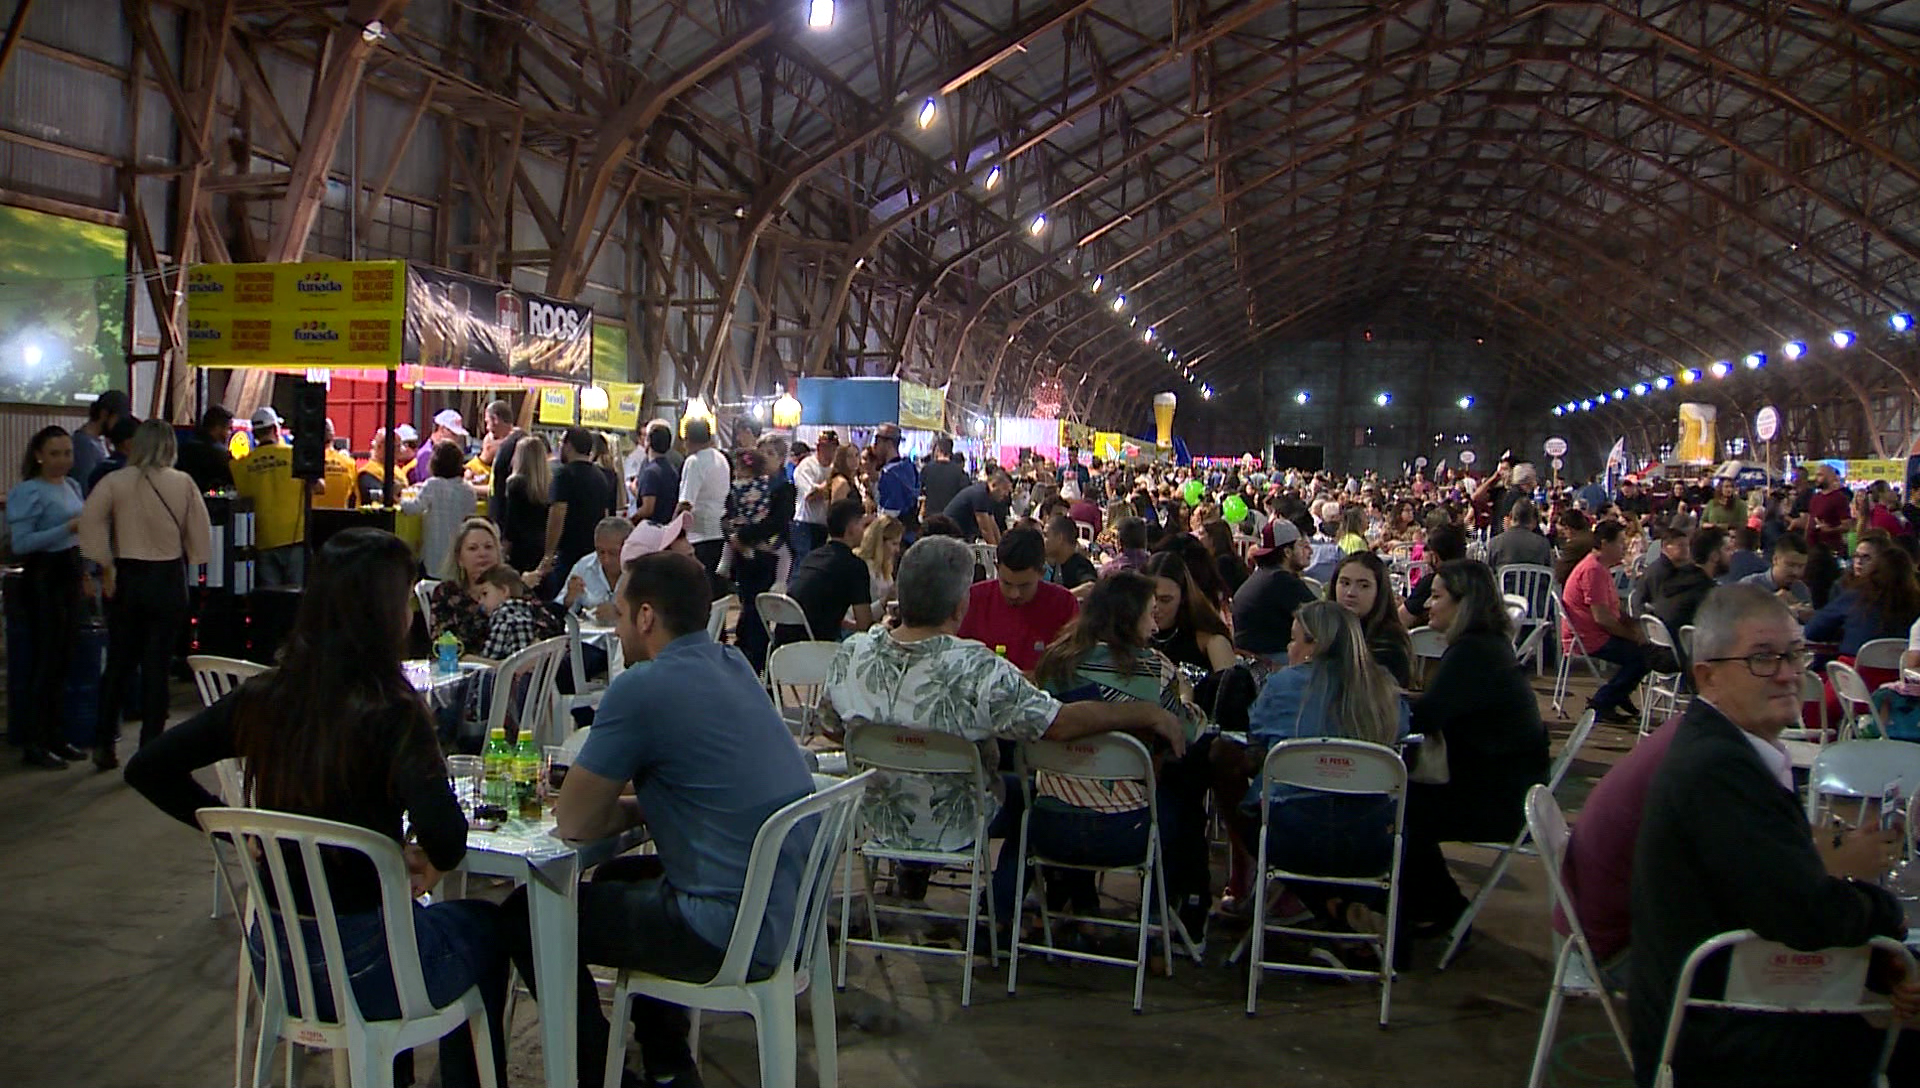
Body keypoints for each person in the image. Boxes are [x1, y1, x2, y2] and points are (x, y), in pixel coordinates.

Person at [125, 528, 510, 1088]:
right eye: (404, 600)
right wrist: (415, 856)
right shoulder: (395, 713)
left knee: (407, 927)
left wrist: (238, 836)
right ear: (383, 612)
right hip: (371, 964)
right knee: (486, 927)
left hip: (278, 962)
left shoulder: (264, 697)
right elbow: (448, 840)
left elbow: (147, 766)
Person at [499, 550, 814, 1088]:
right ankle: (669, 1064)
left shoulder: (640, 687)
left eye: (619, 614)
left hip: (721, 930)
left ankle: (598, 1073)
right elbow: (702, 789)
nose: (617, 628)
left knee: (524, 916)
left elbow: (573, 821)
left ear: (646, 616)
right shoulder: (732, 663)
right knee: (618, 878)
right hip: (784, 912)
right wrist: (641, 804)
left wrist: (611, 805)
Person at [1629, 584, 1918, 1088]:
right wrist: (1889, 927)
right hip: (1721, 1037)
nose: (1787, 674)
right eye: (1762, 659)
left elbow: (1778, 892)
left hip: (1729, 1003)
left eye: (1794, 654)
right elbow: (1805, 915)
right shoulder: (1718, 770)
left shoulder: (1724, 750)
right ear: (1708, 675)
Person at [816, 535, 1186, 858]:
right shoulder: (978, 666)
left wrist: (904, 753)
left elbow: (833, 728)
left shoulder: (852, 654)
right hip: (959, 823)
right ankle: (1012, 911)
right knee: (1034, 796)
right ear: (961, 604)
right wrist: (1147, 712)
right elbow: (1058, 724)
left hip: (878, 820)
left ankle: (914, 881)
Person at [1015, 571, 1208, 933]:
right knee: (1183, 805)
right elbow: (1188, 732)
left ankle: (1078, 903)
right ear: (1128, 616)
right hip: (1125, 831)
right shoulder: (1154, 670)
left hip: (1050, 823)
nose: (1154, 624)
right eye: (1150, 613)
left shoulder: (1056, 663)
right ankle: (1157, 920)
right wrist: (1186, 696)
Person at [1212, 600, 1408, 935]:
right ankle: (1339, 915)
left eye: (1294, 639)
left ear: (1314, 645)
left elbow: (1256, 733)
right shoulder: (1383, 688)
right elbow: (1401, 734)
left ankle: (1325, 909)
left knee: (1226, 765)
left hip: (1293, 839)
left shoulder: (1282, 686)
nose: (1289, 647)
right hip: (1370, 841)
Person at [1401, 559, 1548, 935]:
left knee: (1395, 807)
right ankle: (1435, 906)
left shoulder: (1472, 652)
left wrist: (1388, 702)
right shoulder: (1487, 645)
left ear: (1463, 603)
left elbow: (1427, 716)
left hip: (1497, 798)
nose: (1428, 605)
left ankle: (1443, 909)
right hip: (1509, 785)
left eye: (1436, 596)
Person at [78, 420, 212, 766]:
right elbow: (200, 532)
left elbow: (90, 521)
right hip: (167, 577)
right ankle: (150, 747)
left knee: (119, 664)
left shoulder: (115, 481)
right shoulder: (182, 483)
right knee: (157, 667)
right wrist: (197, 558)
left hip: (128, 578)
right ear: (170, 445)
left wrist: (105, 564)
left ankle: (104, 743)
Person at [1552, 715, 1681, 985]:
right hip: (1612, 952)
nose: (1788, 676)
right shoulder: (1711, 757)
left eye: (1794, 668)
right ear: (1708, 676)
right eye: (1760, 668)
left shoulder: (1689, 733)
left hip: (1590, 932)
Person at [8, 426, 90, 768]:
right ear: (39, 455)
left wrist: (86, 571)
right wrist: (65, 529)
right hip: (43, 577)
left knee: (64, 659)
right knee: (45, 661)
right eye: (55, 454)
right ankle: (35, 741)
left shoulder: (71, 486)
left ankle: (56, 734)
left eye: (68, 453)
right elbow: (21, 544)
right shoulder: (28, 491)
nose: (62, 461)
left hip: (70, 572)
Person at [954, 526, 1080, 672]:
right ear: (996, 568)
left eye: (1024, 586)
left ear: (1042, 573)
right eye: (1006, 583)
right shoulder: (972, 600)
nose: (1014, 594)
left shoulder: (1064, 605)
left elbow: (1073, 663)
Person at [1564, 521, 1652, 723]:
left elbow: (1612, 610)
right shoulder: (1593, 570)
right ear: (1605, 544)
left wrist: (1633, 625)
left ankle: (1616, 695)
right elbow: (1602, 618)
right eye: (1621, 543)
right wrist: (1633, 635)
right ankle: (1603, 701)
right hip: (1588, 637)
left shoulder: (1599, 567)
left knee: (1642, 651)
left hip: (1592, 632)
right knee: (1642, 657)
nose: (1625, 548)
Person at [431, 519, 557, 655]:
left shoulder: (512, 585)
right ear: (460, 559)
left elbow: (548, 624)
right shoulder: (447, 592)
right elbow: (442, 646)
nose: (482, 554)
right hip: (466, 669)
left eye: (488, 547)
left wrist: (526, 657)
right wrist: (495, 667)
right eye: (473, 548)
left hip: (520, 667)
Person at [728, 439, 798, 672]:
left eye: (771, 453)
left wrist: (746, 535)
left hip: (768, 557)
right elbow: (729, 512)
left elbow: (777, 521)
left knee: (758, 613)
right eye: (762, 452)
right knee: (748, 608)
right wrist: (733, 535)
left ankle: (757, 665)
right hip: (745, 558)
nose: (765, 457)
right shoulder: (746, 484)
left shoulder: (784, 489)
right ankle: (744, 658)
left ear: (781, 460)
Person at [1806, 535, 1920, 658]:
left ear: (1877, 566)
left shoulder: (1855, 596)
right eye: (1856, 556)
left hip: (1854, 673)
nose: (1859, 562)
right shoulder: (1916, 601)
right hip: (1902, 672)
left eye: (1866, 557)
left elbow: (1812, 631)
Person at [782, 498, 875, 645]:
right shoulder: (854, 566)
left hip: (785, 642)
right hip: (817, 647)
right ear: (851, 528)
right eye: (863, 525)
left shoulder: (812, 557)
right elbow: (865, 626)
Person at [232, 406, 308, 587]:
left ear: (255, 434)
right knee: (296, 598)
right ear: (276, 429)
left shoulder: (240, 465)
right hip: (294, 537)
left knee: (270, 600)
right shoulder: (294, 455)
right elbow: (318, 487)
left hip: (262, 539)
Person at [543, 427, 616, 597]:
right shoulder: (601, 476)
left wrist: (548, 554)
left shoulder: (563, 475)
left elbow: (557, 515)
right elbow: (605, 515)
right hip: (591, 552)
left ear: (568, 446)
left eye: (561, 443)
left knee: (561, 600)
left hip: (568, 553)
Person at [1232, 518, 1318, 660]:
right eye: (1302, 546)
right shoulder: (1282, 581)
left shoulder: (1265, 575)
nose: (1310, 551)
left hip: (1251, 660)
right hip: (1271, 662)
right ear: (1287, 552)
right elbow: (1322, 620)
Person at [1141, 550, 1236, 673]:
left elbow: (1230, 687)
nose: (1156, 608)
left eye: (1165, 600)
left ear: (1183, 597)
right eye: (1149, 599)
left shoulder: (1210, 640)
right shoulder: (1131, 637)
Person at [1328, 551, 1414, 687]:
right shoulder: (1325, 629)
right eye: (1345, 583)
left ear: (1379, 592)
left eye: (1364, 586)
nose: (1351, 593)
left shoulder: (1390, 644)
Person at [401, 441, 480, 579]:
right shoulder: (468, 490)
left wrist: (399, 498)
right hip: (458, 556)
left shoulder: (433, 485)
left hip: (434, 554)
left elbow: (412, 508)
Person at [675, 417, 730, 595]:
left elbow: (685, 503)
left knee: (700, 590)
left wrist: (671, 529)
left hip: (700, 535)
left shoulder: (694, 462)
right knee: (717, 589)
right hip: (721, 530)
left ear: (687, 439)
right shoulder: (721, 458)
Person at [1649, 527, 1731, 642]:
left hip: (1660, 652)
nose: (1732, 554)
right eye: (1727, 549)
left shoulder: (1674, 579)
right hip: (1688, 655)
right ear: (1714, 556)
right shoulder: (1708, 593)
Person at [560, 516, 637, 623]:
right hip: (588, 637)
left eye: (613, 553)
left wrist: (620, 614)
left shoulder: (639, 570)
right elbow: (560, 612)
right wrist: (569, 599)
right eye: (600, 552)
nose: (606, 560)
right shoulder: (584, 566)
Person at [499, 433, 552, 574]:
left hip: (520, 547)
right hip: (541, 545)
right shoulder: (548, 485)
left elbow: (511, 523)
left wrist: (503, 551)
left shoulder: (515, 484)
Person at [789, 429, 839, 563]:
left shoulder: (834, 467)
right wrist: (831, 482)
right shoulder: (806, 467)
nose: (831, 451)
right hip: (805, 524)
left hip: (824, 525)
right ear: (819, 447)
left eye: (833, 448)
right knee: (804, 563)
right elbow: (810, 496)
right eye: (827, 447)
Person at [1741, 532, 1813, 622]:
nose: (1796, 572)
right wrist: (1772, 602)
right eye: (1791, 565)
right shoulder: (1749, 586)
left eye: (1801, 566)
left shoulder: (1801, 589)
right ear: (1775, 559)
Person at [70, 388, 130, 495]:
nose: (120, 426)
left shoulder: (95, 443)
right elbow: (86, 489)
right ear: (104, 414)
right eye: (118, 419)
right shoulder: (84, 445)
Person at [174, 405, 235, 492]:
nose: (230, 433)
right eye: (229, 428)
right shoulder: (220, 455)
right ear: (217, 428)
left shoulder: (183, 448)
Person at [871, 422, 920, 530]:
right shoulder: (909, 469)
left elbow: (888, 516)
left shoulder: (891, 475)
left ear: (888, 443)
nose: (875, 447)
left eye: (877, 442)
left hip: (895, 537)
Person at [356, 424, 419, 506]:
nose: (400, 451)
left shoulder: (397, 470)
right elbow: (373, 496)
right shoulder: (368, 472)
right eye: (397, 447)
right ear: (380, 447)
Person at [856, 513, 905, 616]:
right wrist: (885, 601)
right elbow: (857, 616)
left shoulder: (886, 568)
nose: (897, 550)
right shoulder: (862, 567)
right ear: (880, 541)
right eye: (894, 544)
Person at [945, 470, 1012, 544]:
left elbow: (993, 524)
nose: (1006, 494)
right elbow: (985, 529)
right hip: (950, 534)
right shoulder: (980, 494)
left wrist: (1000, 547)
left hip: (961, 534)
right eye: (1004, 489)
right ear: (994, 485)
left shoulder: (988, 496)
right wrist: (995, 552)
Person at [484, 400, 524, 524]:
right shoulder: (513, 442)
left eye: (487, 422)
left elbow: (503, 486)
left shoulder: (515, 445)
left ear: (495, 419)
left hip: (507, 520)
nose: (487, 428)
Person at [632, 420, 679, 525]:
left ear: (648, 442)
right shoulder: (671, 469)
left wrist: (631, 520)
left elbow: (648, 509)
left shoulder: (651, 472)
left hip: (652, 529)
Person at [1488, 499, 1553, 571]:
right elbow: (1550, 574)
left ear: (1510, 516)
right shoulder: (1543, 544)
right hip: (1534, 582)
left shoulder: (1495, 543)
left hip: (1503, 582)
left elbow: (1487, 576)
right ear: (1534, 521)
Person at [1042, 513, 1098, 597]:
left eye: (1046, 535)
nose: (1043, 540)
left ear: (1060, 538)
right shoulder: (1058, 563)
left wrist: (1062, 598)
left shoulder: (1079, 565)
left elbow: (1091, 587)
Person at [311, 419, 360, 510]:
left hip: (313, 519)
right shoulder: (349, 463)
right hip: (340, 520)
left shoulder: (309, 462)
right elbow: (355, 499)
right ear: (333, 435)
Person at [1201, 518, 1250, 596]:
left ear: (1213, 538)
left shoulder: (1223, 562)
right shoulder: (1230, 558)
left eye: (1201, 533)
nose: (1198, 537)